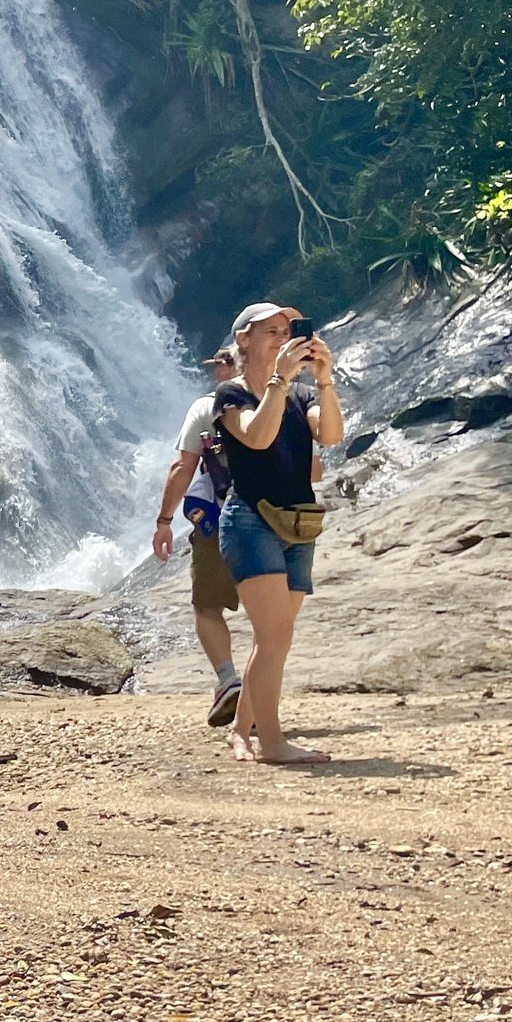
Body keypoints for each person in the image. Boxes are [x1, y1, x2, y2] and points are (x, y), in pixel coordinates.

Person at [214, 302, 344, 764]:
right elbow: (258, 436)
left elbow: (329, 436)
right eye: (271, 331)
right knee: (275, 636)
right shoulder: (230, 395)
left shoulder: (301, 395)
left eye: (287, 330)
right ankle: (273, 743)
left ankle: (240, 732)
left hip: (298, 523)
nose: (282, 337)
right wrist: (280, 380)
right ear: (244, 339)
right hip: (250, 522)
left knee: (274, 639)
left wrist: (324, 381)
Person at [153, 345, 247, 728]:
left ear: (229, 365)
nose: (216, 372)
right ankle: (261, 687)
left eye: (220, 364)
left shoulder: (205, 409)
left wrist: (164, 520)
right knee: (269, 612)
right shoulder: (282, 399)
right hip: (276, 518)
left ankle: (228, 679)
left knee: (207, 606)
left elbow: (182, 467)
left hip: (223, 519)